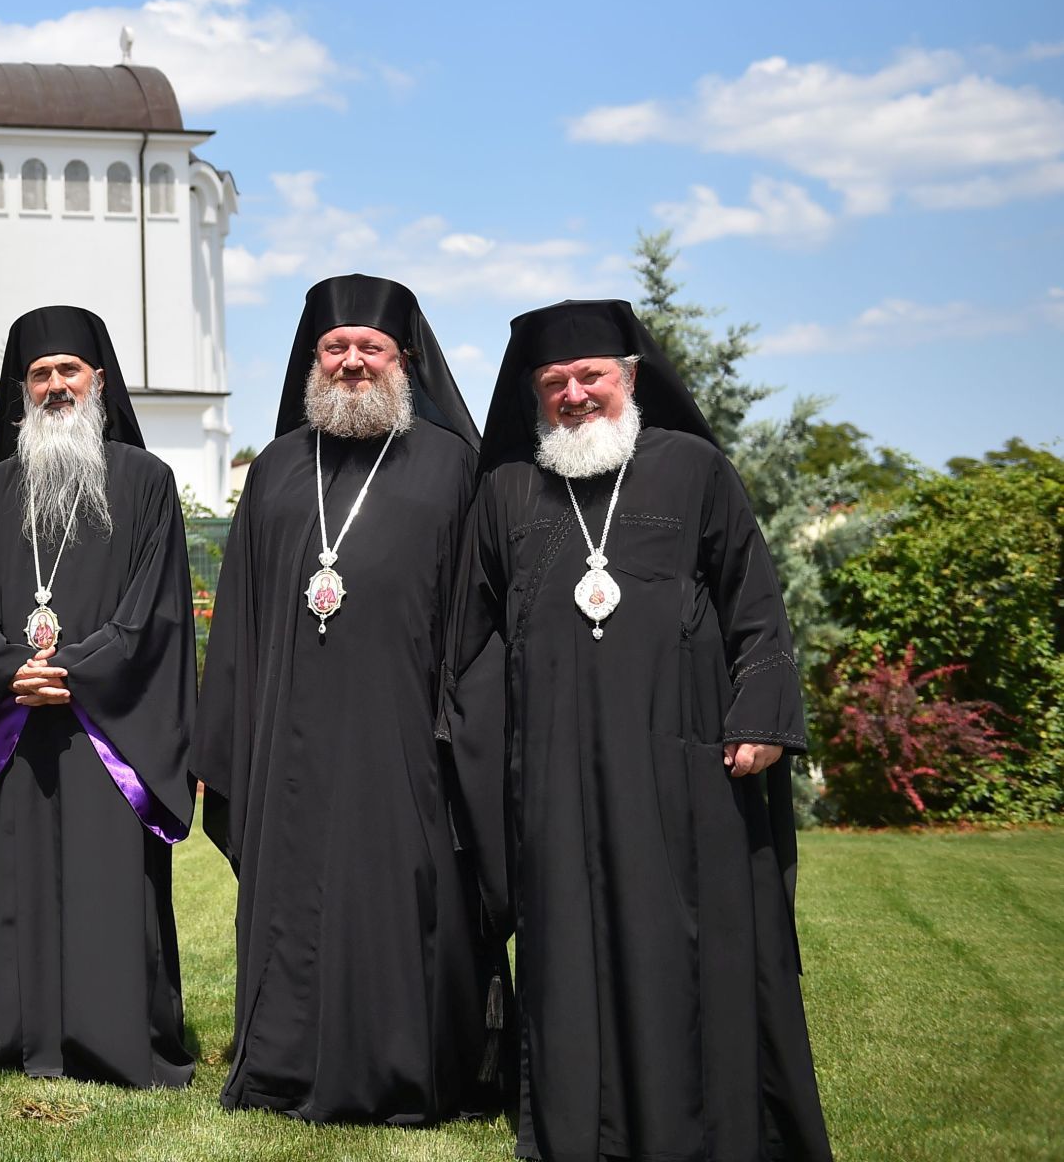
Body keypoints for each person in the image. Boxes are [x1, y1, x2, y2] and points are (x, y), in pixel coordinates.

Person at [453, 298, 831, 1162]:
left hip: (682, 762)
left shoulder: (693, 468)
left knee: (687, 943)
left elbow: (754, 602)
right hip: (551, 771)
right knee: (566, 947)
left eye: (592, 377)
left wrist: (763, 716)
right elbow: (467, 638)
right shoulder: (508, 491)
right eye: (555, 383)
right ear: (533, 395)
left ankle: (702, 1126)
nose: (575, 395)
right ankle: (578, 1130)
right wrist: (487, 751)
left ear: (630, 378)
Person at [191, 274, 505, 1123]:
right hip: (287, 737)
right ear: (312, 359)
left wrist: (462, 733)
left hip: (408, 736)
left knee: (403, 894)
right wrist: (224, 738)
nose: (354, 361)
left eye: (373, 347)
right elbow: (242, 622)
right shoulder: (279, 469)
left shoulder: (452, 467)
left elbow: (480, 618)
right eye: (338, 347)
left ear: (405, 361)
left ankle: (408, 1070)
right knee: (293, 893)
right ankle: (285, 1068)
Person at [0, 305, 196, 1088]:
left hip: (106, 730)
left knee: (109, 891)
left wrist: (71, 671)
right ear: (23, 390)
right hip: (22, 721)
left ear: (100, 383)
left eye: (68, 373)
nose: (55, 387)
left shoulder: (147, 483)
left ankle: (113, 1038)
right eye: (40, 375)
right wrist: (14, 669)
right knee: (21, 881)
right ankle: (18, 1033)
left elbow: (155, 606)